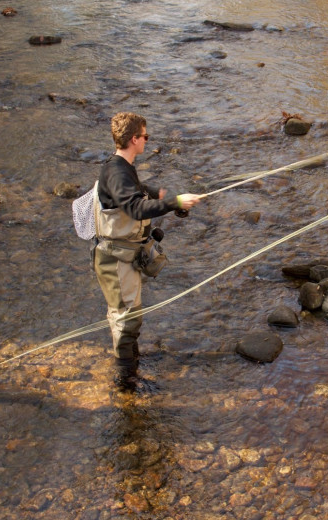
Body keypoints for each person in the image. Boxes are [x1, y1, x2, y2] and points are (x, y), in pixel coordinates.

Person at [93, 112, 201, 391]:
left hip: (125, 256)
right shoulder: (116, 172)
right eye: (146, 136)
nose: (147, 140)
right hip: (115, 260)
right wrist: (174, 201)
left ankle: (132, 365)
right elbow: (134, 207)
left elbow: (137, 190)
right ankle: (126, 382)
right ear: (134, 139)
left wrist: (162, 195)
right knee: (126, 320)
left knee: (129, 316)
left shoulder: (122, 166)